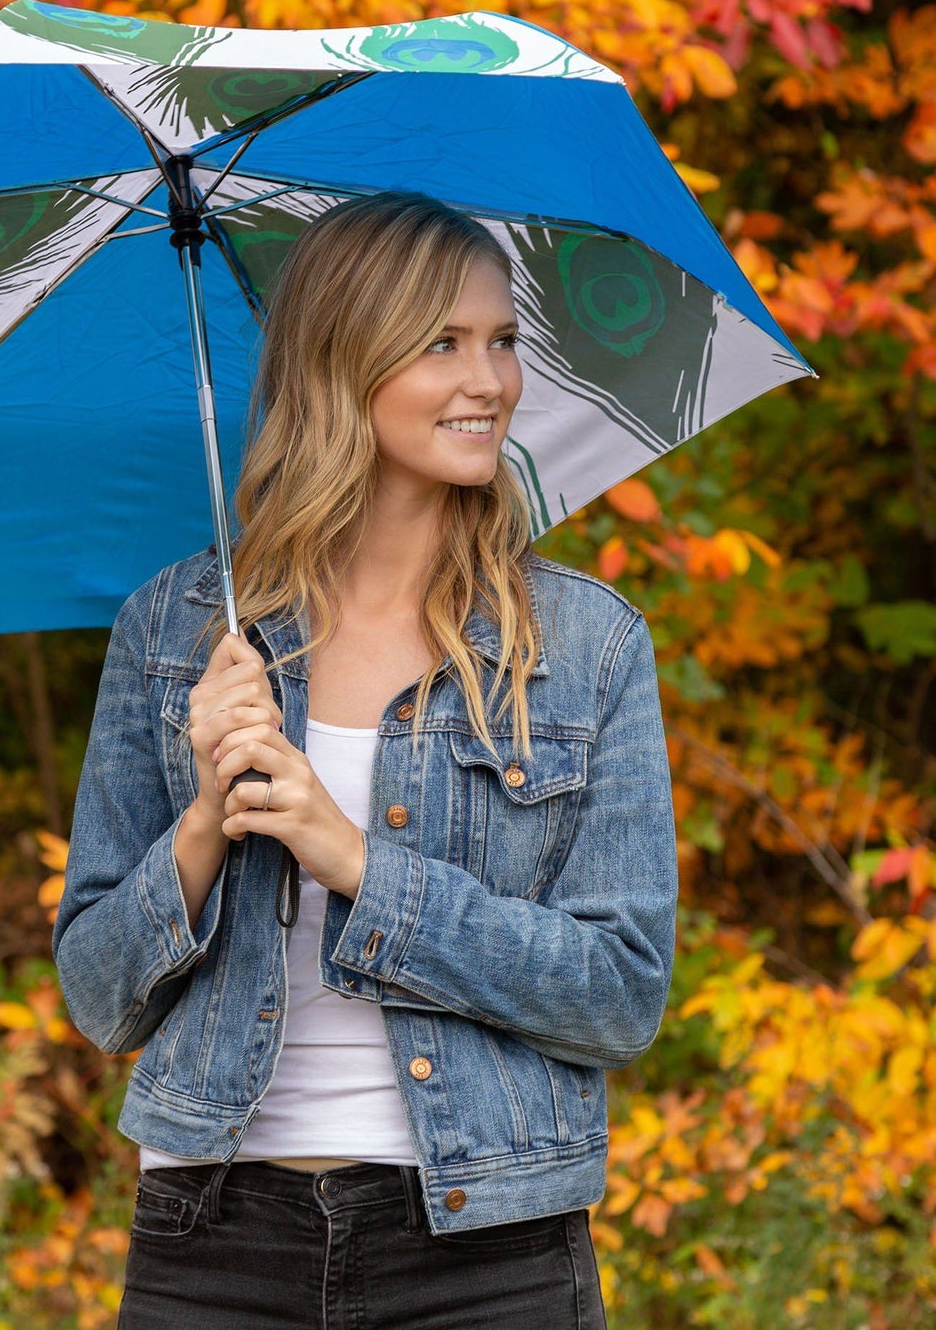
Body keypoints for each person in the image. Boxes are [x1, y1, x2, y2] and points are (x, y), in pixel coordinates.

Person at [52, 190, 678, 1329]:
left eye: (499, 341)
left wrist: (351, 860)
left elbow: (620, 996)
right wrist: (203, 816)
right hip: (212, 1242)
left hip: (486, 1248)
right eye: (440, 342)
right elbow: (98, 997)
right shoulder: (178, 630)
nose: (487, 382)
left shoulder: (583, 646)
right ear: (343, 360)